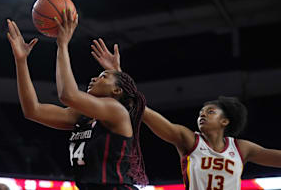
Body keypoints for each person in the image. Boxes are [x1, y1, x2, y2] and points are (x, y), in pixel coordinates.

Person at [90, 38, 281, 190]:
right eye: (201, 113)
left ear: (225, 121)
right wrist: (119, 77)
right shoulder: (189, 140)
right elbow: (143, 110)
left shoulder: (241, 148)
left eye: (210, 112)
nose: (202, 115)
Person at [6, 8, 148, 190]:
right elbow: (32, 110)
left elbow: (68, 95)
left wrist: (63, 45)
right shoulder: (82, 117)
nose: (94, 78)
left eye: (103, 76)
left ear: (116, 90)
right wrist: (21, 61)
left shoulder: (116, 111)